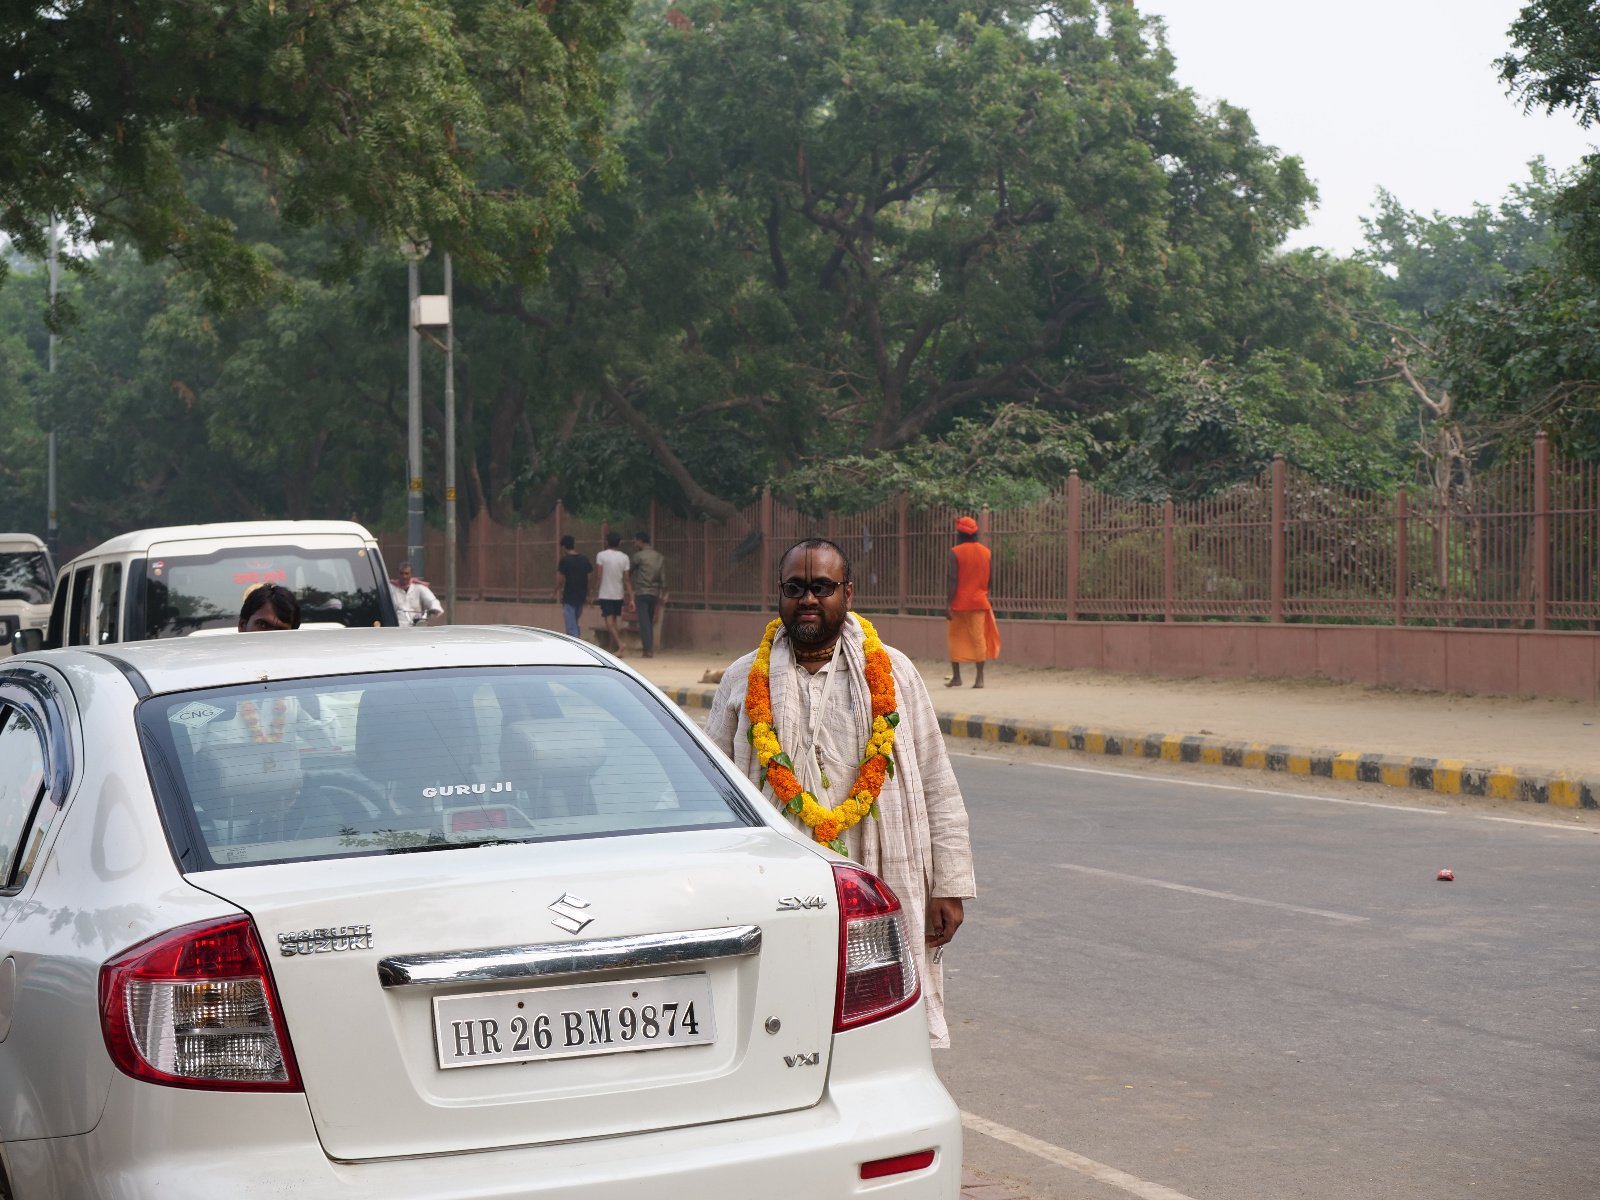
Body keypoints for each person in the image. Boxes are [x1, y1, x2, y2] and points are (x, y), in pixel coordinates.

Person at [706, 538, 976, 1048]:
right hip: (777, 884)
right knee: (782, 1018)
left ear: (847, 593)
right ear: (779, 595)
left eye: (822, 587)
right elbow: (714, 787)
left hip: (877, 881)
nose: (808, 599)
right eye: (795, 588)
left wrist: (950, 883)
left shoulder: (893, 673)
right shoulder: (745, 678)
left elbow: (937, 777)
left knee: (879, 1022)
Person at [946, 516, 1001, 689]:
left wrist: (947, 603)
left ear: (960, 534)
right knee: (979, 639)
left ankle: (957, 677)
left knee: (954, 638)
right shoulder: (986, 552)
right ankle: (980, 679)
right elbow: (991, 578)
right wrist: (983, 593)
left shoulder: (955, 551)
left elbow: (952, 579)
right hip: (979, 603)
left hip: (959, 603)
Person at [629, 530, 668, 658]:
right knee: (649, 621)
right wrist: (665, 592)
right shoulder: (659, 556)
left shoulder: (638, 556)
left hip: (642, 592)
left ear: (640, 541)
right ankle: (649, 647)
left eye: (635, 540)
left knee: (644, 621)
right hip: (655, 593)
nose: (635, 543)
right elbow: (663, 577)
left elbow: (629, 572)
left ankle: (648, 650)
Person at [594, 531, 633, 655]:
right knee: (614, 621)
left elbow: (599, 576)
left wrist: (594, 591)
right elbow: (627, 579)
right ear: (619, 543)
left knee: (609, 621)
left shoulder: (601, 555)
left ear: (606, 542)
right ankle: (614, 648)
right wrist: (631, 597)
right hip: (618, 593)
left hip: (605, 593)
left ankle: (620, 644)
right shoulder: (624, 557)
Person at [555, 534, 593, 639]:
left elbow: (561, 579)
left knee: (571, 625)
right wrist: (589, 594)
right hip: (581, 595)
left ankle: (576, 643)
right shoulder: (584, 559)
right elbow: (589, 578)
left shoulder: (564, 561)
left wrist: (555, 591)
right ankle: (572, 642)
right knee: (573, 622)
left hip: (569, 596)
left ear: (563, 547)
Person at [391, 560, 443, 628]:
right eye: (401, 573)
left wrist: (434, 608)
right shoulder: (391, 588)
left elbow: (431, 600)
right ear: (398, 574)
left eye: (407, 573)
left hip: (415, 626)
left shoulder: (419, 587)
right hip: (396, 626)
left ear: (411, 574)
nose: (404, 576)